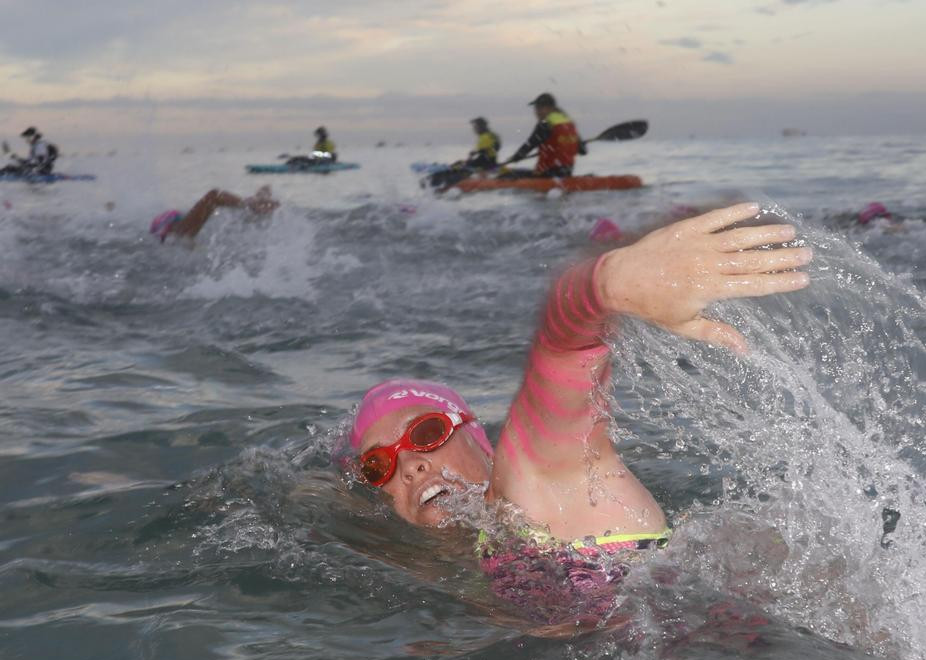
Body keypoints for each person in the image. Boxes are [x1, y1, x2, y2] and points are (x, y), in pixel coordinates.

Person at [345, 203, 812, 623]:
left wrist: (608, 282)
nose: (410, 465)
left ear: (480, 439)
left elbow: (561, 356)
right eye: (378, 465)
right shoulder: (458, 568)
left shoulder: (540, 487)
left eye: (427, 433)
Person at [150, 186, 279, 244]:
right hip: (176, 226)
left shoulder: (178, 228)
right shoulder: (178, 231)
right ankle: (256, 202)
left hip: (175, 223)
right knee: (214, 196)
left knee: (214, 196)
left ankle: (256, 202)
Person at [502, 93, 585, 178]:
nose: (536, 112)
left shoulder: (545, 124)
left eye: (539, 108)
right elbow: (583, 151)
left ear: (550, 108)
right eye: (536, 109)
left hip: (546, 174)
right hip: (566, 172)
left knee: (507, 176)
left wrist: (516, 157)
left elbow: (529, 145)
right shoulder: (569, 123)